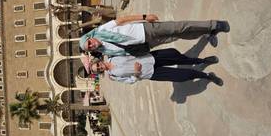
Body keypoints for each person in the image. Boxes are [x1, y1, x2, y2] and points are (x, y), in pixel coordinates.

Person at [79, 14, 230, 56]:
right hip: (147, 44)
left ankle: (214, 24)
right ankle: (207, 32)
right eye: (90, 48)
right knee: (178, 35)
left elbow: (122, 19)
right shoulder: (106, 52)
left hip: (146, 30)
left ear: (90, 37)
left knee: (179, 27)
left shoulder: (102, 30)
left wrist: (144, 17)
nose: (92, 46)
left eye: (89, 43)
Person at [88, 48, 224, 86]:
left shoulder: (113, 55)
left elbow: (129, 49)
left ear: (99, 60)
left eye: (98, 65)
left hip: (151, 57)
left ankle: (202, 61)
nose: (100, 68)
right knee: (182, 76)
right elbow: (130, 81)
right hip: (151, 73)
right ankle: (207, 76)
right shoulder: (113, 76)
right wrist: (136, 73)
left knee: (178, 57)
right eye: (98, 70)